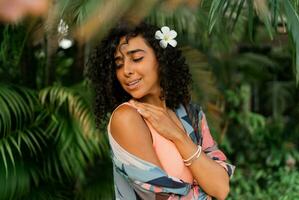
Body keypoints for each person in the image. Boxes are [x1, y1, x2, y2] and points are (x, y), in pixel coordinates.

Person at [86, 21, 235, 200]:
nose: (126, 71)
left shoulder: (190, 114)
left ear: (160, 57)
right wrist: (207, 182)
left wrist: (177, 135)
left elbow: (221, 188)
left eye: (137, 58)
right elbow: (161, 197)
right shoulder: (127, 118)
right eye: (118, 64)